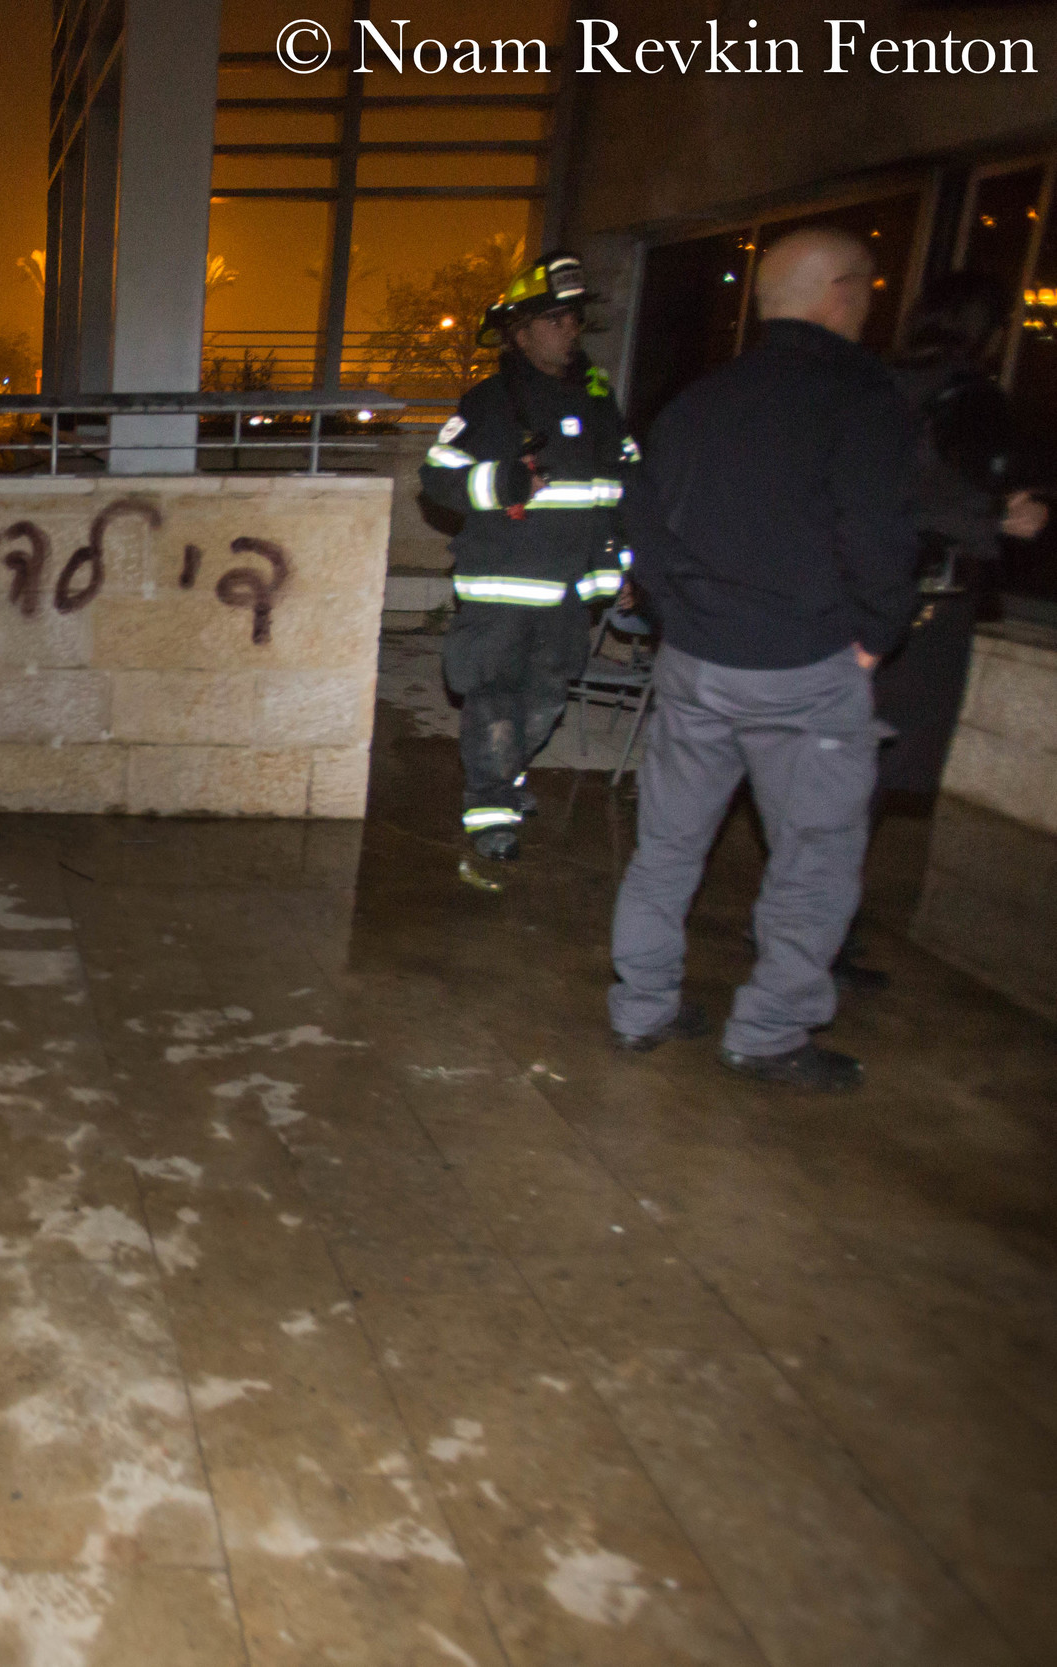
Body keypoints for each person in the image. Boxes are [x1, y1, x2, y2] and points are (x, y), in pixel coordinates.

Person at [608, 226, 919, 1090]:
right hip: (804, 667)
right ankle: (770, 1031)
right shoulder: (860, 398)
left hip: (696, 662)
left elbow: (642, 517)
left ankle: (643, 1007)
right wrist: (874, 635)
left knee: (667, 846)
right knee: (812, 859)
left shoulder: (701, 399)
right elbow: (882, 536)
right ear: (842, 293)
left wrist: (678, 615)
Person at [420, 251, 637, 863]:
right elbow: (436, 477)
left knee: (545, 701)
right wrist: (506, 484)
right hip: (500, 593)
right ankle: (489, 809)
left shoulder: (598, 400)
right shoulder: (491, 403)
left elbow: (625, 489)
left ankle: (505, 777)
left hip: (568, 592)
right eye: (555, 320)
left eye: (574, 319)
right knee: (493, 697)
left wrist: (627, 565)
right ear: (521, 332)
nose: (570, 330)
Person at [878, 271, 1047, 797]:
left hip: (858, 584)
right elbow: (972, 488)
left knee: (838, 748)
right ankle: (821, 874)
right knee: (888, 750)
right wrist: (1001, 515)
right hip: (930, 597)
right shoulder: (965, 394)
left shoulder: (875, 384)